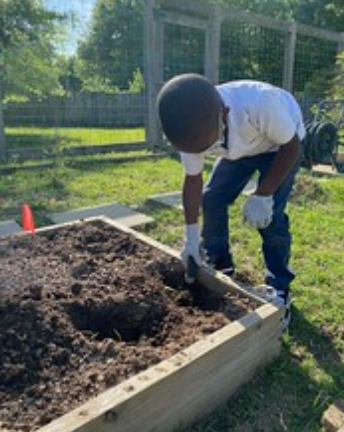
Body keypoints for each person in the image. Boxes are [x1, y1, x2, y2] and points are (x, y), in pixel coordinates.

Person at [156, 73, 306, 328]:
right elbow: (193, 180)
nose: (201, 154)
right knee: (213, 198)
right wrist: (191, 237)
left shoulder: (261, 103)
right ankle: (219, 262)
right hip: (238, 149)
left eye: (207, 146)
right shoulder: (191, 125)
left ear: (224, 113)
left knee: (271, 220)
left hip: (279, 147)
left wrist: (265, 193)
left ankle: (279, 288)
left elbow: (292, 148)